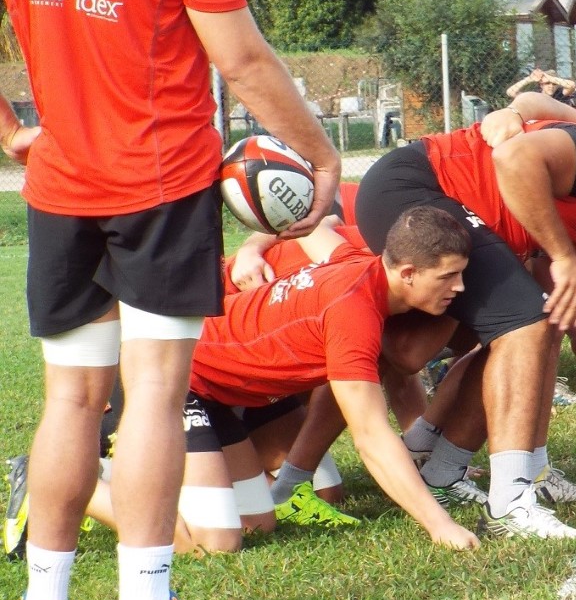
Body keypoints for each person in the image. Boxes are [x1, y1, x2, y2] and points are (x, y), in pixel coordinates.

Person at [1, 0, 338, 600]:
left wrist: (13, 132)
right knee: (152, 394)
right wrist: (315, 152)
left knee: (71, 399)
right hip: (157, 180)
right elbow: (241, 58)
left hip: (61, 185)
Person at [355, 108, 576, 539]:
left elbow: (540, 262)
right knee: (521, 325)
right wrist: (514, 112)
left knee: (532, 324)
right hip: (412, 186)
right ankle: (509, 501)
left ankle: (443, 471)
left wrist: (574, 327)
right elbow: (515, 158)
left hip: (434, 198)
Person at [186, 207, 479, 551]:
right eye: (448, 276)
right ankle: (108, 476)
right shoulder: (353, 316)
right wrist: (440, 525)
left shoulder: (358, 261)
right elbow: (370, 437)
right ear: (409, 273)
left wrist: (318, 218)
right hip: (185, 379)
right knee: (218, 543)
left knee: (258, 525)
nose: (459, 287)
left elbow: (313, 228)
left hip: (231, 391)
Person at [506, 68, 576, 107]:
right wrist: (529, 79)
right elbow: (511, 92)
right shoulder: (536, 95)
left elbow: (572, 85)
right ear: (541, 85)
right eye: (547, 83)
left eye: (554, 84)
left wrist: (550, 78)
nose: (551, 86)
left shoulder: (560, 93)